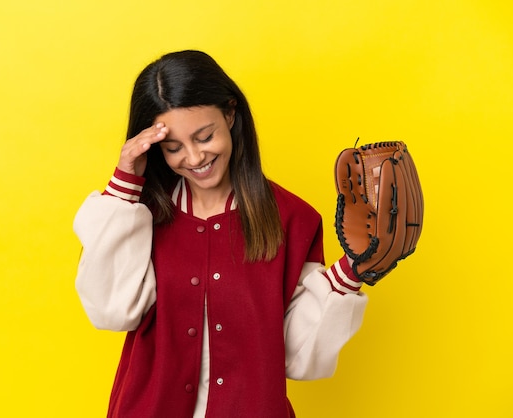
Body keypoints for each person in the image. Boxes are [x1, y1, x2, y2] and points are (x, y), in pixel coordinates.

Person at [73, 50, 368, 418]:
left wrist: (353, 273)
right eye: (173, 147)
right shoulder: (138, 216)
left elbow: (296, 355)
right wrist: (124, 184)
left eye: (204, 136)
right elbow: (112, 312)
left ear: (230, 114)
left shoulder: (293, 219)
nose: (194, 158)